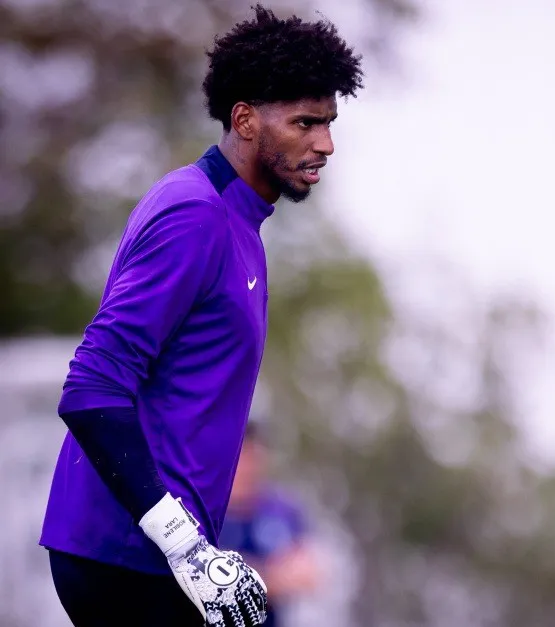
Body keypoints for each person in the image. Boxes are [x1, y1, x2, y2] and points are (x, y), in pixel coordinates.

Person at [37, 5, 363, 626]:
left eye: (328, 123)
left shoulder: (240, 223)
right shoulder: (196, 217)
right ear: (244, 119)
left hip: (154, 556)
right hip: (128, 557)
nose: (324, 143)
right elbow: (91, 388)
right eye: (304, 122)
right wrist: (184, 544)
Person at [218, 422, 322, 627]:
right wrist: (272, 575)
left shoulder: (282, 509)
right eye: (243, 455)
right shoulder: (206, 513)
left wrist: (240, 576)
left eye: (255, 455)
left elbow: (308, 575)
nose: (249, 465)